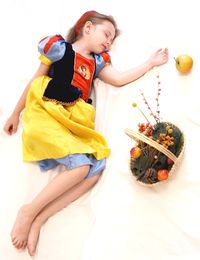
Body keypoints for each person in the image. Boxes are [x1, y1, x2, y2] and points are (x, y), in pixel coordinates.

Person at [3, 10, 168, 256]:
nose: (108, 42)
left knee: (95, 169)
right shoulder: (59, 48)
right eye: (106, 34)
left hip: (73, 121)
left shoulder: (97, 62)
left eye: (112, 39)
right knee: (80, 168)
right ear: (88, 28)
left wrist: (149, 63)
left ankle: (40, 218)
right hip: (48, 112)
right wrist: (16, 113)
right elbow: (34, 79)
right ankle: (29, 210)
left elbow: (120, 79)